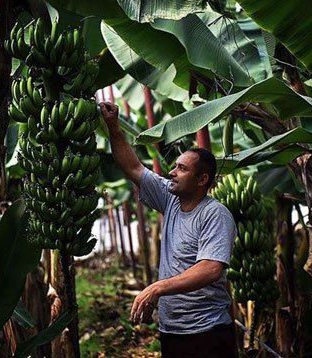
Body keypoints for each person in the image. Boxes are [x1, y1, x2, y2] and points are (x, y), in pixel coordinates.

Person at [100, 102, 237, 358]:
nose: (172, 172)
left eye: (182, 169)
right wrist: (113, 127)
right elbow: (133, 168)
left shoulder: (215, 214)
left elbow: (210, 268)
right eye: (175, 166)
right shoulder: (170, 199)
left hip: (207, 331)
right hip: (172, 330)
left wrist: (157, 288)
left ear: (202, 180)